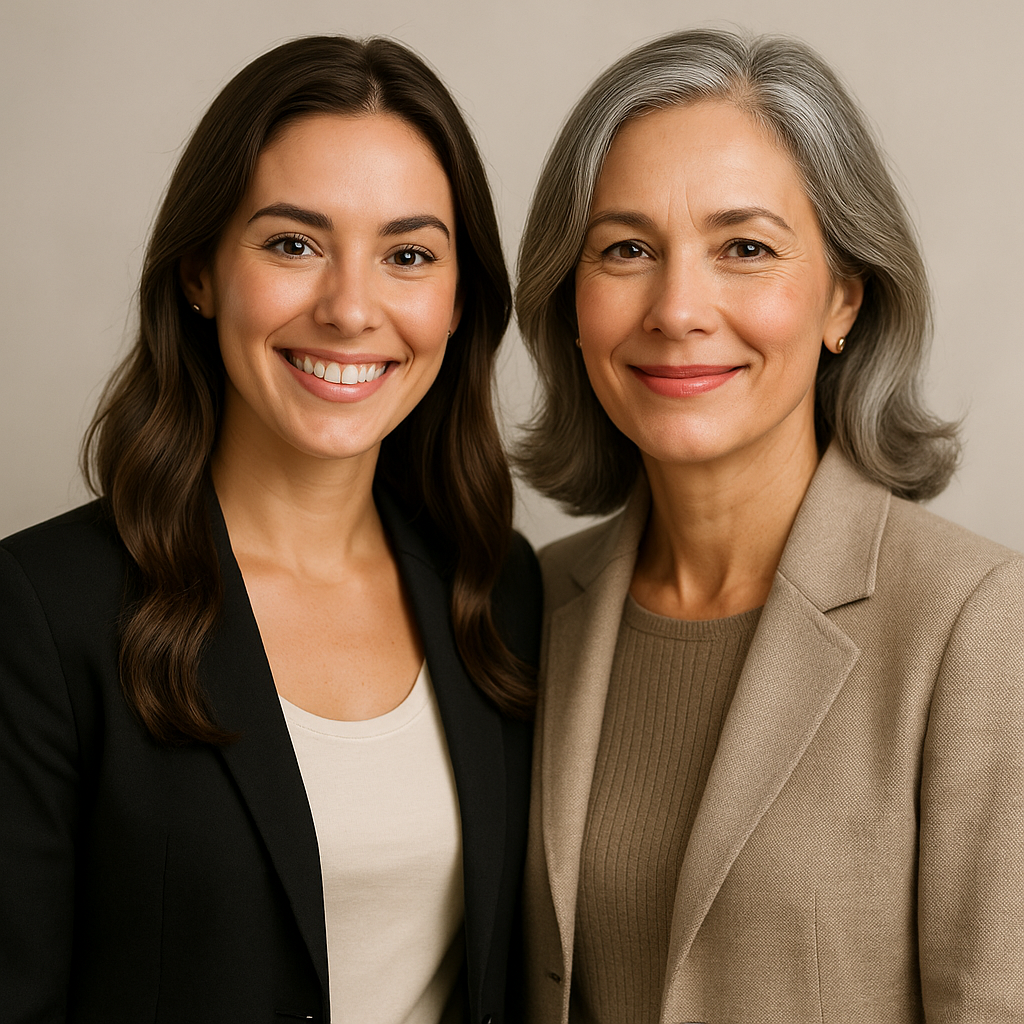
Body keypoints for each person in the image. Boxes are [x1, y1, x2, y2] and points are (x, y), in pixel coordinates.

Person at [0, 35, 540, 1024]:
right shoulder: (43, 611)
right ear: (201, 270)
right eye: (293, 243)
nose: (348, 307)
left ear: (459, 300)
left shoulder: (499, 590)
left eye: (408, 255)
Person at [515, 28, 1024, 1024]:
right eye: (625, 249)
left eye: (743, 248)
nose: (677, 307)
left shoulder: (975, 624)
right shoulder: (524, 605)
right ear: (569, 304)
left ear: (843, 296)